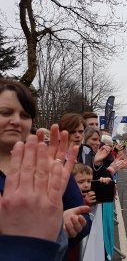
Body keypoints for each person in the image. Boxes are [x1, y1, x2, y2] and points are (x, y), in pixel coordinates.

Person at [0, 79, 90, 260]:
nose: (16, 121)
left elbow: (84, 215)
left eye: (25, 115)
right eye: (5, 113)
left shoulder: (48, 165)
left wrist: (65, 225)